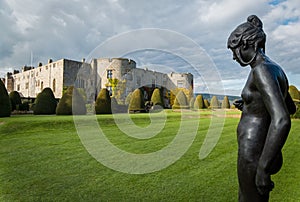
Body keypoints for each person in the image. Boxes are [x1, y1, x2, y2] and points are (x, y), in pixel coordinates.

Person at [227, 15, 296, 202]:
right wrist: (251, 106)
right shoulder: (276, 69)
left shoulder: (261, 70)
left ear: (247, 45)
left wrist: (263, 168)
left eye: (235, 50)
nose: (234, 57)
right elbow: (290, 107)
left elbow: (282, 119)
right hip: (258, 147)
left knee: (248, 199)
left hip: (254, 151)